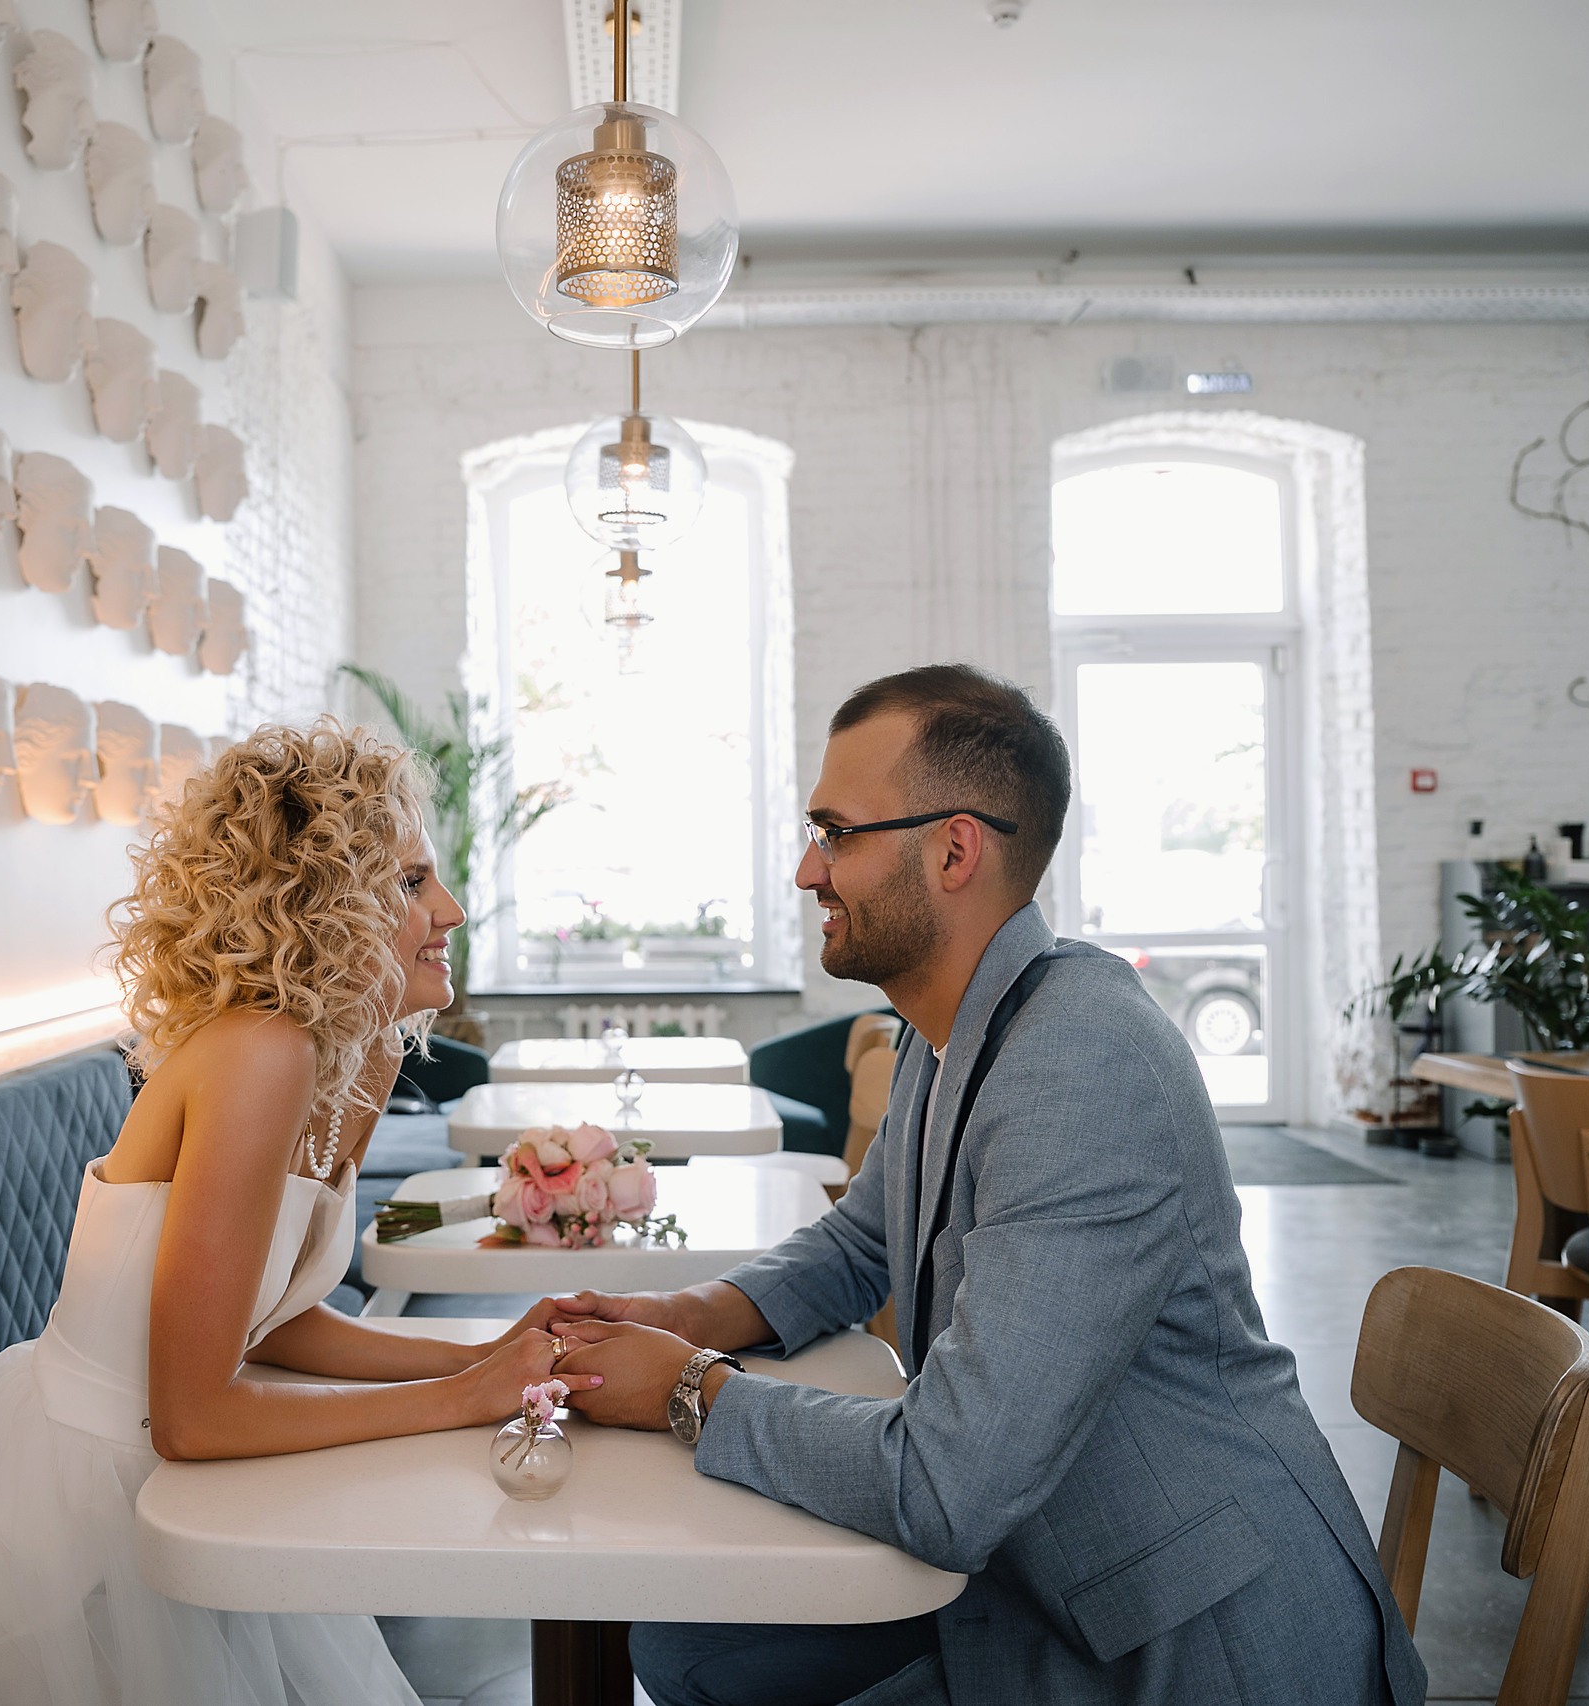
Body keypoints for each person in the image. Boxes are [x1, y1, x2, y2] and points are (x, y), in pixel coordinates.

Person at [550, 665, 1426, 1706]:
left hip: (1182, 1639)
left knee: (696, 1647)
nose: (803, 869)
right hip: (1035, 1562)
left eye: (835, 833)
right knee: (688, 1647)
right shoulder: (956, 1019)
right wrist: (682, 1313)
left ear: (953, 848)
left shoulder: (1081, 1059)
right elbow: (864, 1238)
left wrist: (692, 1388)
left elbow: (947, 1483)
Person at [0, 720, 563, 1706]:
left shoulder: (350, 1051)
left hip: (181, 1476)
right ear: (320, 902)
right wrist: (461, 1398)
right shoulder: (260, 1051)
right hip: (79, 1513)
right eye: (410, 882)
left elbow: (279, 1320)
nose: (452, 908)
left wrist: (480, 1352)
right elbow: (193, 1414)